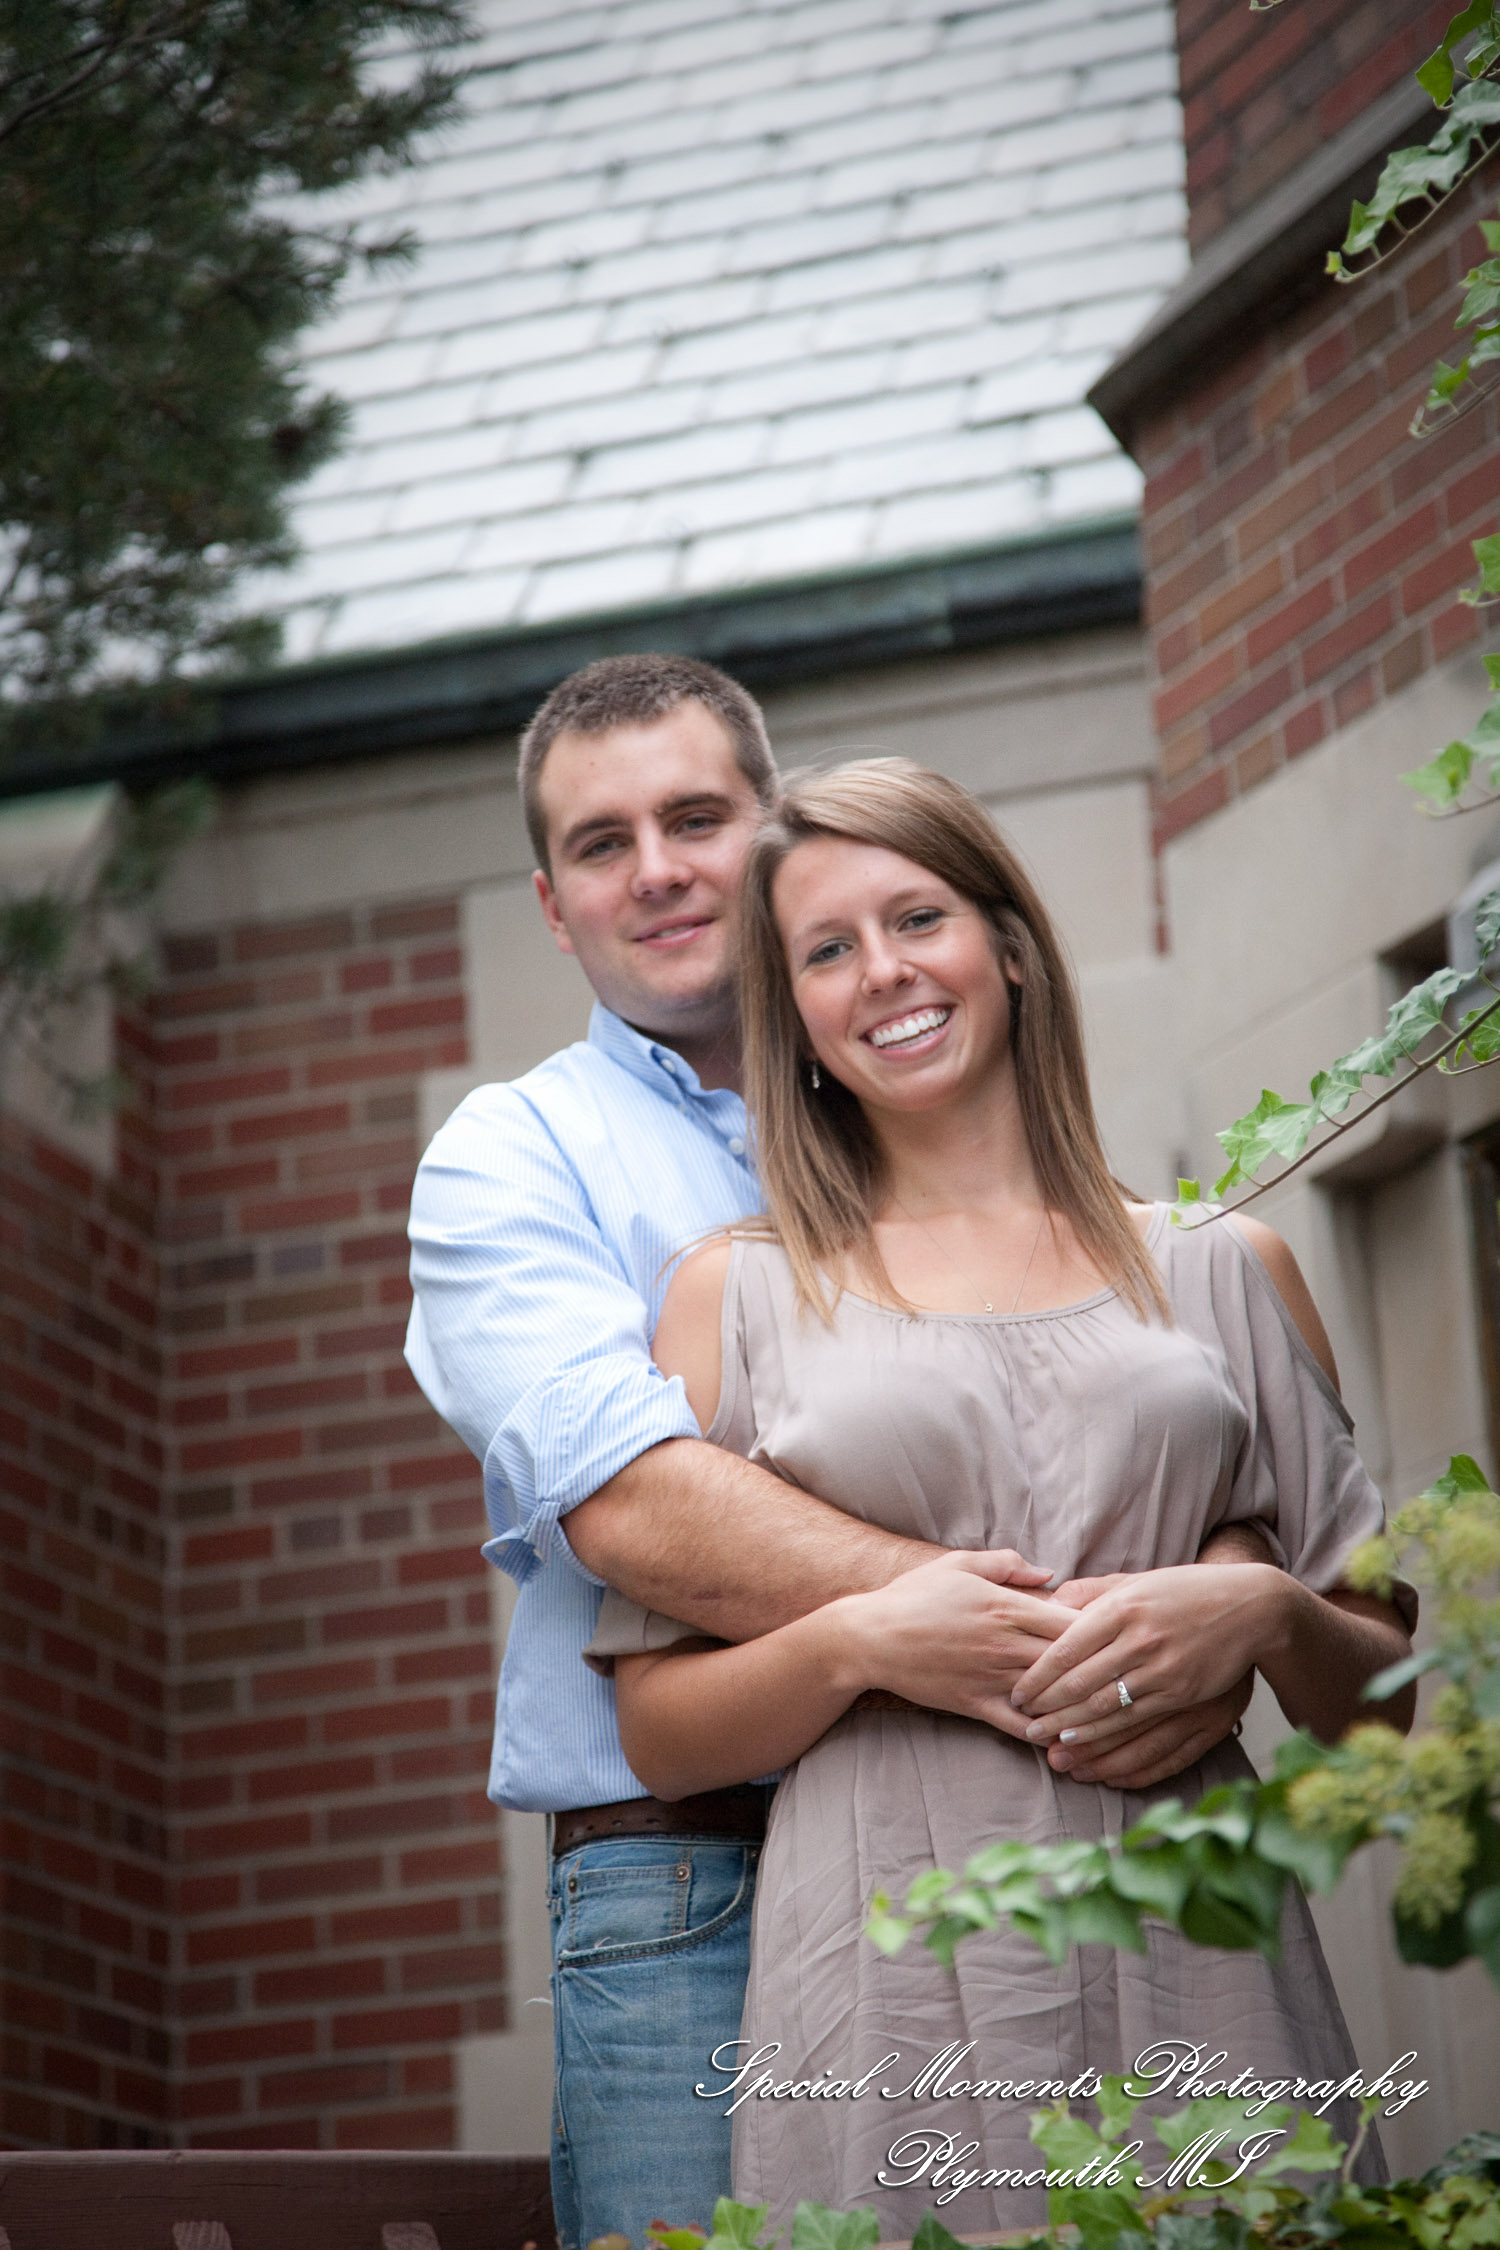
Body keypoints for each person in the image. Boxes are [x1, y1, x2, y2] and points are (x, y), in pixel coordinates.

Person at [406, 660, 1266, 2250]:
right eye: (602, 844)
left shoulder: (947, 1111)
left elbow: (1156, 1450)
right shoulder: (515, 1157)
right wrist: (1040, 1635)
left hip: (1050, 1824)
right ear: (551, 902)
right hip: (698, 1885)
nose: (654, 867)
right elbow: (636, 1503)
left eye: (694, 817)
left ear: (775, 829)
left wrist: (1229, 1591)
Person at [585, 757, 1417, 2238]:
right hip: (883, 1972)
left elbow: (1391, 1714)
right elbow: (655, 1724)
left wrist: (1268, 1605)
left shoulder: (1227, 1265)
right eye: (826, 951)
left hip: (1198, 1949)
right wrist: (862, 1640)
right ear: (800, 1025)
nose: (883, 971)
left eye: (918, 917)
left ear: (1012, 948)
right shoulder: (737, 1296)